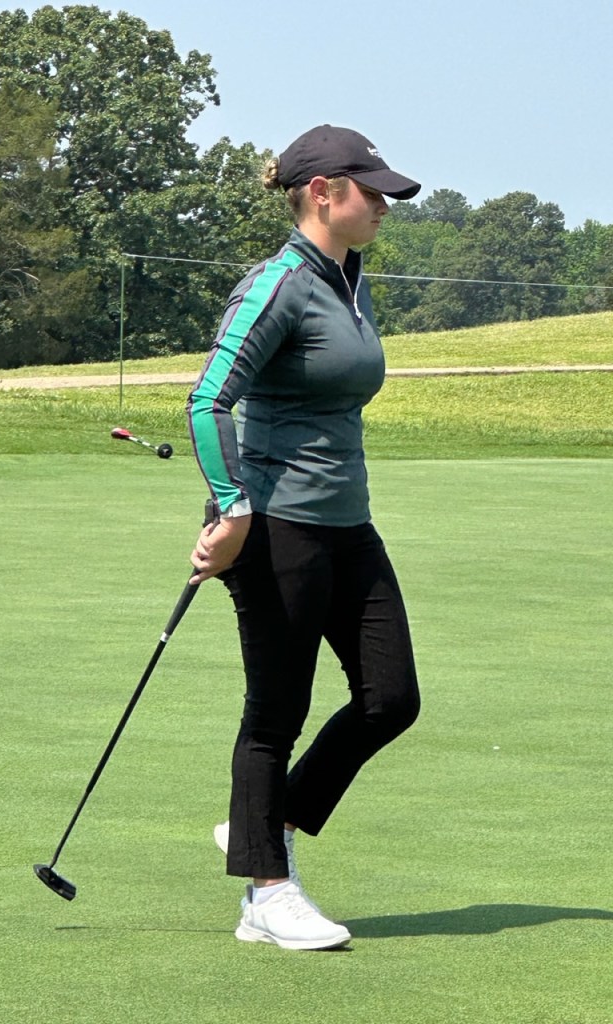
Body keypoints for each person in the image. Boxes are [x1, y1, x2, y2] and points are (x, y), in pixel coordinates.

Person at [186, 124, 422, 951]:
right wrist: (232, 509)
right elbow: (208, 401)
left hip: (347, 524)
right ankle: (266, 892)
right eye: (373, 191)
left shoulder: (350, 280)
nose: (385, 205)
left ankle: (264, 822)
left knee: (391, 699)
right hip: (276, 526)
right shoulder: (277, 284)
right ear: (323, 193)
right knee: (275, 712)